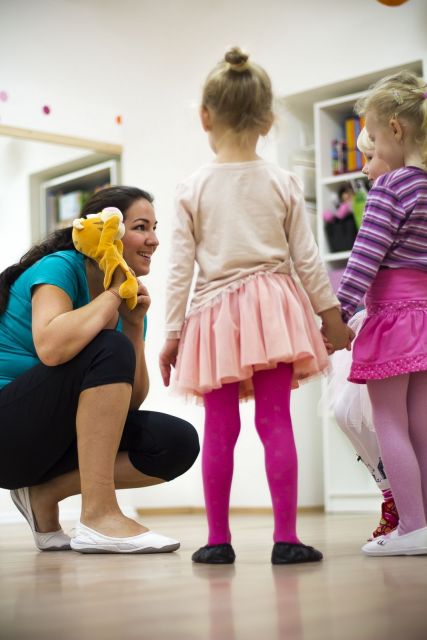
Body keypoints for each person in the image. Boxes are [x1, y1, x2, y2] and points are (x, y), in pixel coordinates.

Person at [159, 47, 352, 565]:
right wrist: (331, 319)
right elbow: (308, 259)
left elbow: (179, 270)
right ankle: (286, 538)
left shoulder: (192, 187)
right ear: (268, 119)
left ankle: (217, 541)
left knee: (220, 429)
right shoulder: (283, 182)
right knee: (276, 422)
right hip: (274, 310)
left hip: (215, 316)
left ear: (205, 116)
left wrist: (172, 334)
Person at [0, 185, 199, 554]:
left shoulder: (124, 296)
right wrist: (112, 297)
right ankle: (99, 516)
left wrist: (134, 326)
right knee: (108, 345)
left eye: (154, 228)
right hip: (9, 433)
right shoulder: (61, 266)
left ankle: (43, 495)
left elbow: (128, 402)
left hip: (53, 437)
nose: (154, 240)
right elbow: (51, 347)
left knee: (176, 442)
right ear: (105, 231)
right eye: (141, 227)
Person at [337, 71, 427, 556]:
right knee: (422, 424)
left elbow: (364, 259)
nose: (369, 146)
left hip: (392, 317)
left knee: (389, 421)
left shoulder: (390, 188)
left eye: (372, 135)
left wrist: (338, 313)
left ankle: (412, 526)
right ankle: (424, 523)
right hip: (425, 316)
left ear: (395, 128)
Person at [328, 127, 399, 540]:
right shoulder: (379, 201)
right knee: (346, 410)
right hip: (376, 317)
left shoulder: (397, 198)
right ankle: (391, 493)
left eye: (371, 158)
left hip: (403, 320)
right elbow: (362, 265)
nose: (365, 169)